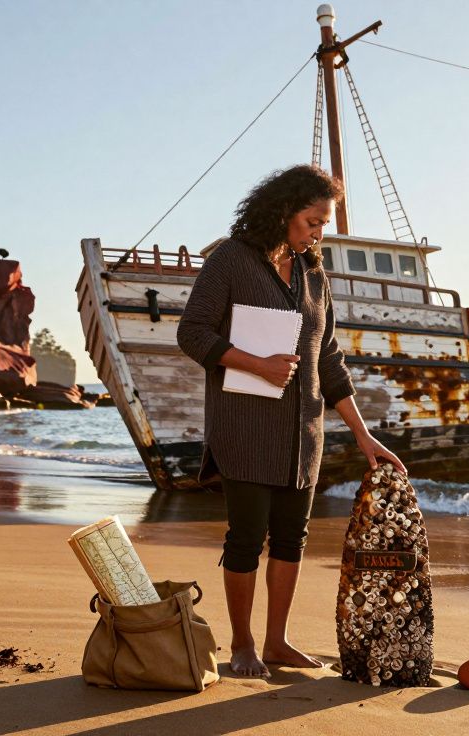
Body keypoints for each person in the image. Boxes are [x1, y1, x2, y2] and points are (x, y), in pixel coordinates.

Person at [176, 164, 406, 678]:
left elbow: (328, 360)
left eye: (323, 223)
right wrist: (255, 364)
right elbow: (191, 333)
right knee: (245, 537)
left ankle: (277, 643)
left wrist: (363, 435)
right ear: (283, 211)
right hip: (245, 427)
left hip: (304, 433)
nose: (318, 232)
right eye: (312, 220)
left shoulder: (313, 274)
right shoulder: (232, 261)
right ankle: (242, 646)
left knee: (291, 539)